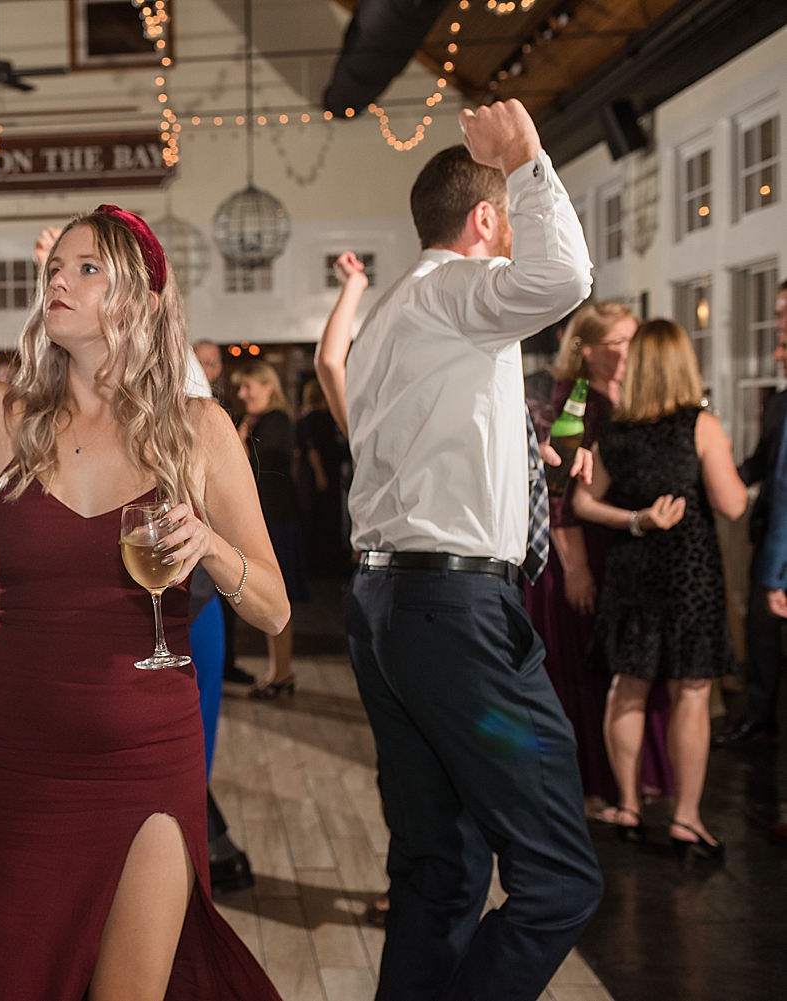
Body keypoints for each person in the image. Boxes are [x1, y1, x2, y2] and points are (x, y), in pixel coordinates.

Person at [0, 142, 290, 999]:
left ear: (135, 294)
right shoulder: (2, 418)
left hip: (149, 754)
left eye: (86, 267)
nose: (58, 279)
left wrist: (207, 546)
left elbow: (276, 610)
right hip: (14, 754)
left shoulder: (201, 431)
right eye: (55, 267)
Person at [343, 101, 603, 1001]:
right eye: (506, 221)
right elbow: (566, 275)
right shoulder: (457, 291)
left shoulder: (388, 320)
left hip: (387, 609)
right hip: (451, 618)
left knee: (440, 868)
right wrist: (528, 155)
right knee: (560, 879)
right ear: (486, 222)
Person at [573, 319, 746, 860]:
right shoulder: (702, 426)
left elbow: (581, 504)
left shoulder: (616, 432)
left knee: (627, 685)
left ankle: (626, 806)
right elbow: (733, 504)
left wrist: (636, 520)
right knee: (690, 693)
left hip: (631, 568)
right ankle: (686, 819)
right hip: (690, 572)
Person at [526, 303, 675, 826]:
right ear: (585, 349)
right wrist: (576, 567)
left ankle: (630, 779)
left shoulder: (631, 398)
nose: (627, 350)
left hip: (620, 549)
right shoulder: (578, 402)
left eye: (633, 340)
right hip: (580, 551)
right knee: (583, 672)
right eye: (616, 341)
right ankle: (591, 785)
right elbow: (560, 493)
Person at [717, 277, 787, 747]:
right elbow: (763, 465)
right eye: (778, 313)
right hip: (769, 541)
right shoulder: (779, 402)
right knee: (762, 643)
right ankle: (759, 721)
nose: (778, 327)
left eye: (785, 314)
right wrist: (714, 476)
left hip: (780, 555)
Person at [232, 361, 310, 698]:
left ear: (268, 387)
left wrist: (241, 438)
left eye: (248, 386)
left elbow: (250, 466)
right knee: (269, 597)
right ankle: (278, 671)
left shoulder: (276, 421)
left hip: (276, 517)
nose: (242, 393)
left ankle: (282, 672)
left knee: (277, 596)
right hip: (269, 517)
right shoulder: (258, 421)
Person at [296, 379, 351, 577]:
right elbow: (312, 449)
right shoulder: (316, 418)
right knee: (323, 517)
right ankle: (324, 566)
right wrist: (320, 474)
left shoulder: (308, 417)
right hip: (321, 475)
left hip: (320, 474)